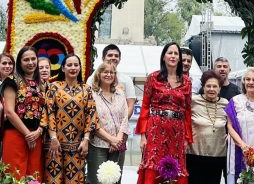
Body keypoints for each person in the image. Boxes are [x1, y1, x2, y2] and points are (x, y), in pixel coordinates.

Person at [136, 42, 193, 184]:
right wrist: (143, 135)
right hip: (155, 129)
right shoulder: (153, 78)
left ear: (179, 58)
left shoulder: (186, 82)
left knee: (176, 166)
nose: (173, 56)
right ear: (163, 57)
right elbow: (144, 106)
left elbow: (187, 110)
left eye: (176, 53)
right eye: (170, 53)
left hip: (177, 131)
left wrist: (187, 137)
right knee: (153, 164)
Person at [45, 54, 98, 184]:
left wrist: (86, 140)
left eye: (76, 65)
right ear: (63, 68)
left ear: (80, 68)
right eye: (69, 65)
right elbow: (49, 112)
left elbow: (91, 115)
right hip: (55, 146)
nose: (73, 68)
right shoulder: (54, 87)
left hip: (78, 146)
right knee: (53, 180)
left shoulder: (86, 89)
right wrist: (53, 138)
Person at [1, 46, 45, 180]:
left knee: (34, 174)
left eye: (33, 59)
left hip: (36, 135)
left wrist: (39, 131)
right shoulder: (11, 81)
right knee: (15, 174)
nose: (30, 62)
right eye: (26, 60)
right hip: (16, 133)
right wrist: (27, 134)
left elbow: (46, 111)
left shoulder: (41, 83)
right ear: (20, 62)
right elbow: (9, 111)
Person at [87, 61, 130, 184]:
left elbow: (124, 118)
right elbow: (92, 120)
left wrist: (117, 140)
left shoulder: (120, 93)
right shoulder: (91, 94)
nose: (109, 75)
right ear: (99, 74)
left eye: (112, 72)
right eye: (105, 72)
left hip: (118, 144)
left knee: (115, 180)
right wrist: (111, 139)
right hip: (98, 144)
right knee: (96, 180)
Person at [187, 70, 228, 184]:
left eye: (215, 86)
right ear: (203, 87)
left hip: (217, 155)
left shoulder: (226, 104)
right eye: (208, 86)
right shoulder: (193, 101)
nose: (211, 89)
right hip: (194, 155)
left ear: (220, 88)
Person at [86, 44, 137, 118]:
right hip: (98, 126)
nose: (113, 58)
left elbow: (130, 106)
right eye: (110, 55)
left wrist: (122, 126)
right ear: (103, 58)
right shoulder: (92, 79)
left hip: (121, 126)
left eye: (116, 56)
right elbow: (89, 105)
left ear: (119, 59)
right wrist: (99, 128)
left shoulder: (126, 80)